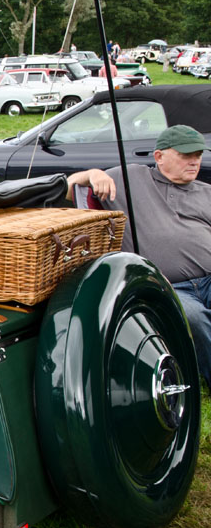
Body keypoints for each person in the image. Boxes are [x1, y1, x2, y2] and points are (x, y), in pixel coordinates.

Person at [67, 125, 211, 386]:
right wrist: (91, 174)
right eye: (186, 155)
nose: (194, 161)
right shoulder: (130, 178)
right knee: (193, 317)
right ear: (159, 156)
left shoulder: (206, 192)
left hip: (208, 279)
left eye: (198, 154)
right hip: (167, 284)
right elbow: (69, 188)